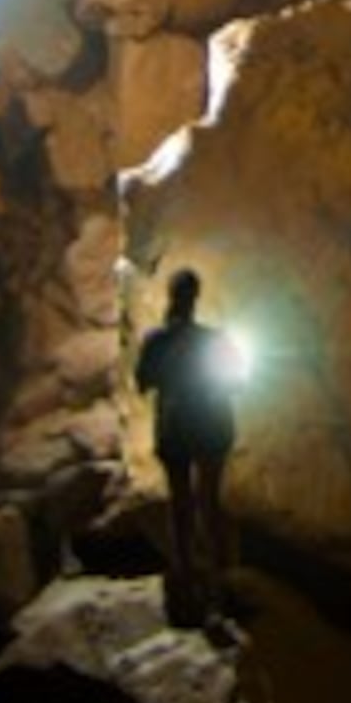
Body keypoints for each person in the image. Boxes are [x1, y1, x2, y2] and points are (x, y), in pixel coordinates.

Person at [133, 265, 244, 625]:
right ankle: (220, 578)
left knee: (180, 502)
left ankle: (184, 573)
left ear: (171, 297)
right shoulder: (214, 340)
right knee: (210, 499)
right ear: (196, 298)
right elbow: (238, 381)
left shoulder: (157, 341)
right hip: (212, 427)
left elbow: (142, 382)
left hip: (176, 428)